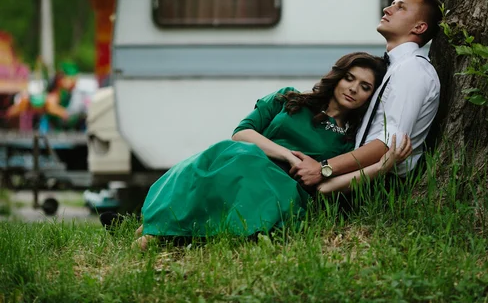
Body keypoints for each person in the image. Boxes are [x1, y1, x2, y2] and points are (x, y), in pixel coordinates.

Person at [132, 52, 412, 249]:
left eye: (365, 87)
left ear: (370, 98)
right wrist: (288, 155)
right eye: (349, 78)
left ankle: (162, 232)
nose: (353, 89)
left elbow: (328, 188)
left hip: (283, 189)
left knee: (242, 160)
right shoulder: (288, 98)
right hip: (245, 160)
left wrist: (381, 167)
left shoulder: (349, 142)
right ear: (337, 77)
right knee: (229, 153)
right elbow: (242, 133)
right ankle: (163, 224)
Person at [290, 0, 442, 187]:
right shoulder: (393, 68)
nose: (387, 9)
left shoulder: (413, 69)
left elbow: (389, 144)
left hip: (380, 184)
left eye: (401, 8)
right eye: (392, 4)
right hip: (357, 179)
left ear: (419, 28)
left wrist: (323, 168)